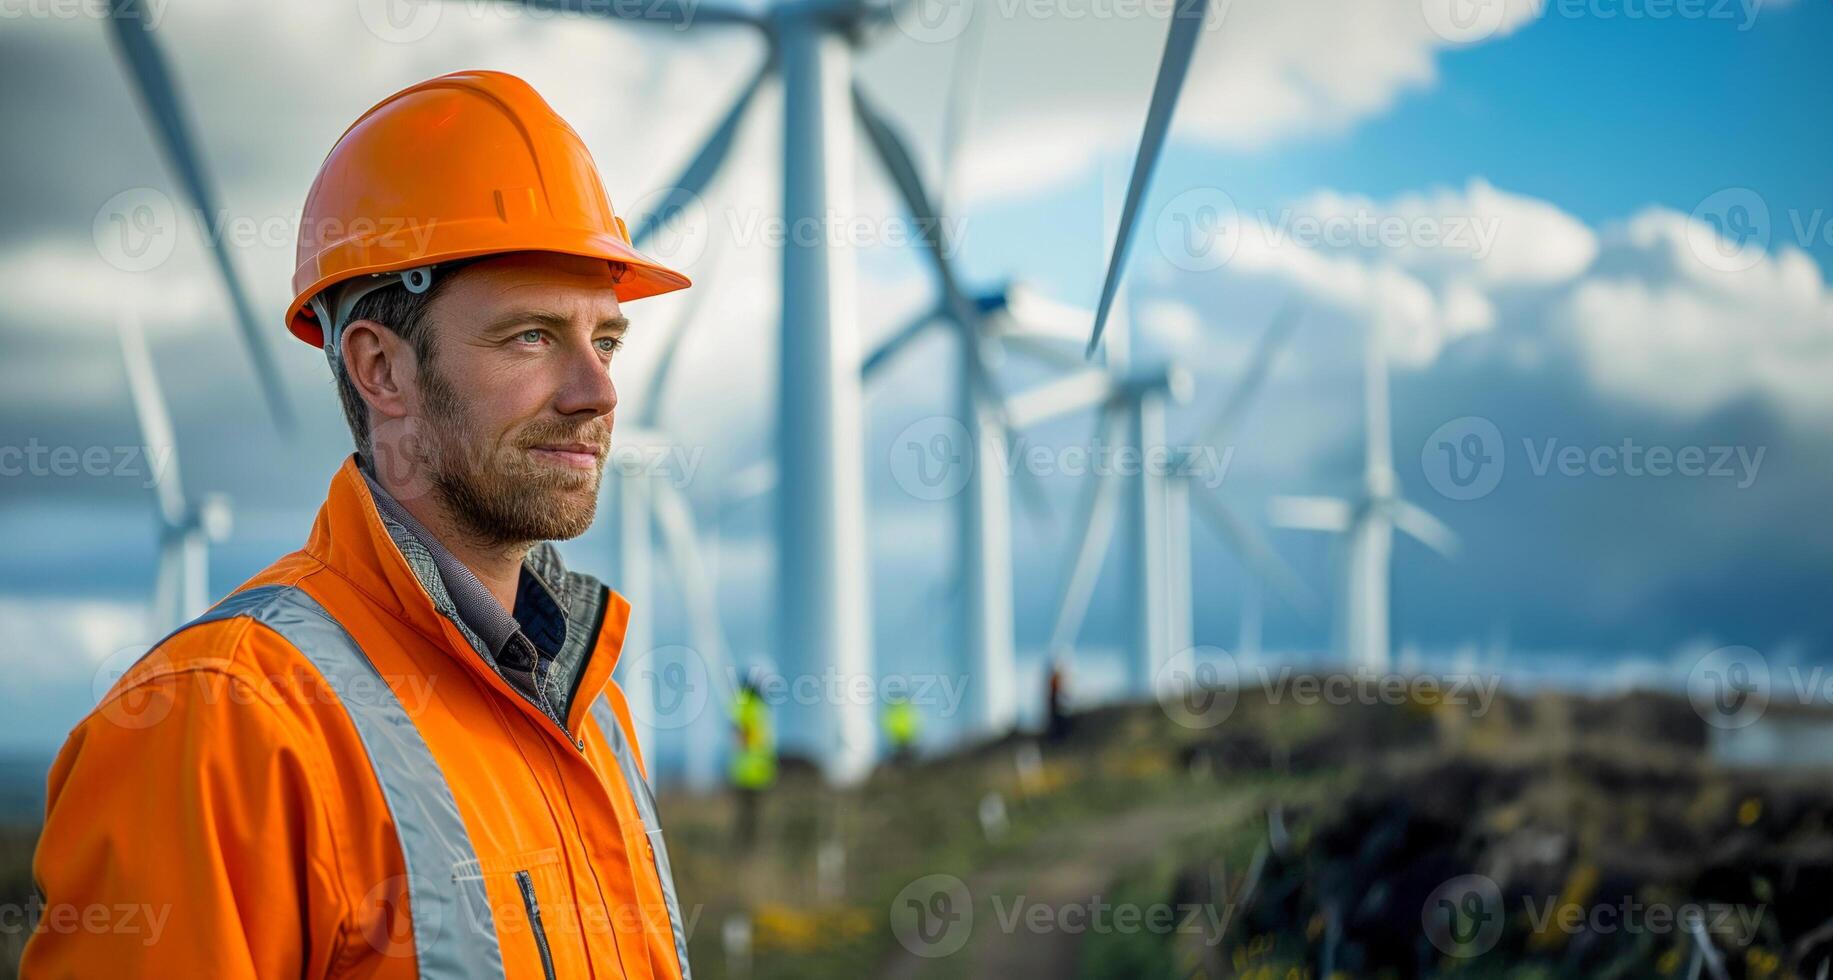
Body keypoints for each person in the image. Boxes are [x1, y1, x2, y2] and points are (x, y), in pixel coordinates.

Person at [26, 71, 696, 978]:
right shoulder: (219, 720)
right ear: (380, 369)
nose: (598, 392)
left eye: (606, 340)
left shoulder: (589, 706)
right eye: (532, 337)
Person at [729, 671, 776, 850]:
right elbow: (743, 735)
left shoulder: (744, 704)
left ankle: (746, 849)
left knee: (749, 818)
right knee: (750, 819)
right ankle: (746, 850)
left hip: (751, 771)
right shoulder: (751, 706)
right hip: (751, 773)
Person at [881, 692, 921, 765]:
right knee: (906, 754)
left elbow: (888, 724)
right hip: (905, 737)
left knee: (903, 754)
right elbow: (914, 721)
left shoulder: (892, 709)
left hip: (900, 738)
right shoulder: (906, 708)